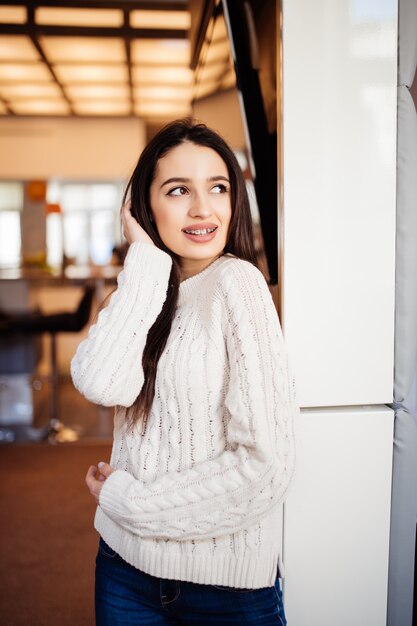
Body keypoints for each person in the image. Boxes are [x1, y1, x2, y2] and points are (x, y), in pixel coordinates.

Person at [71, 119, 298, 625]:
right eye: (178, 190)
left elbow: (265, 466)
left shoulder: (237, 284)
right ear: (143, 206)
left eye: (218, 188)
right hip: (124, 568)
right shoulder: (147, 289)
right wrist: (146, 264)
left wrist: (131, 503)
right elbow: (101, 382)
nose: (202, 209)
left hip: (223, 587)